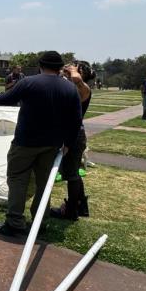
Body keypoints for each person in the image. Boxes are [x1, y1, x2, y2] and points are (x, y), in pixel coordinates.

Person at [0, 51, 82, 237]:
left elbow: (5, 100)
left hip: (25, 142)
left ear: (40, 65)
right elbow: (76, 121)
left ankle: (15, 221)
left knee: (17, 180)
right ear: (59, 68)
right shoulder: (70, 89)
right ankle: (40, 222)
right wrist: (68, 144)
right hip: (52, 145)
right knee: (43, 184)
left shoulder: (29, 82)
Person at [51, 61, 94, 221]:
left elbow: (76, 79)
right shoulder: (69, 86)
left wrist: (73, 71)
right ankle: (80, 206)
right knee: (72, 172)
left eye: (74, 68)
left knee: (71, 174)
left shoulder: (84, 89)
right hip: (70, 134)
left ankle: (71, 211)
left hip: (74, 136)